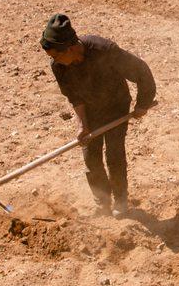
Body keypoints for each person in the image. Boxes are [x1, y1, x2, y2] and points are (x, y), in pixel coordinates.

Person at [41, 13, 156, 216]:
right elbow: (74, 97)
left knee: (114, 154)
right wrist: (82, 125)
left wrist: (142, 104)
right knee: (91, 158)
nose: (54, 61)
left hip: (117, 107)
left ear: (70, 48)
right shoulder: (59, 66)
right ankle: (102, 202)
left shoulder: (104, 50)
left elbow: (141, 71)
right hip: (90, 111)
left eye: (56, 56)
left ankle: (120, 201)